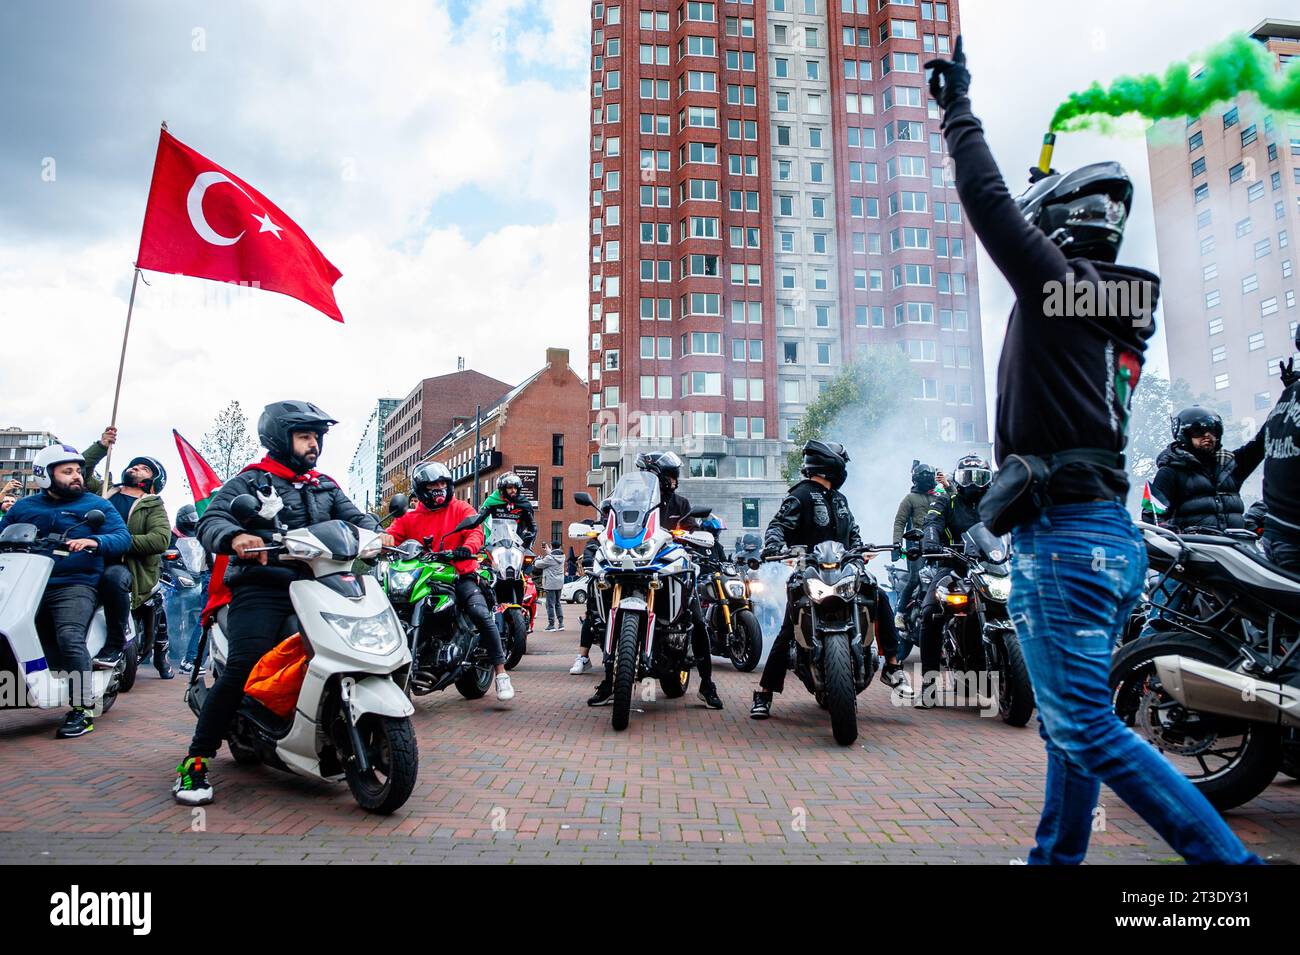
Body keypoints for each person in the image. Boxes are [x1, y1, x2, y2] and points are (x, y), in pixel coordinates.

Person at [927, 37, 1258, 864]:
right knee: (1071, 717)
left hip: (1066, 540)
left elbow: (986, 199)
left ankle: (1233, 868)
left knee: (1085, 723)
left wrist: (957, 110)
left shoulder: (1057, 289)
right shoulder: (1109, 305)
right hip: (1107, 538)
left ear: (1061, 224)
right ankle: (1056, 857)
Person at [173, 401, 383, 805]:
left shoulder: (324, 486)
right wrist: (235, 537)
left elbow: (357, 518)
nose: (314, 445)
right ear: (279, 439)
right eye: (305, 436)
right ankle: (195, 762)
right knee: (243, 668)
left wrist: (378, 533)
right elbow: (211, 520)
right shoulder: (252, 481)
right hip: (264, 587)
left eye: (317, 437)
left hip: (320, 584)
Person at [750, 440, 913, 719]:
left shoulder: (839, 499)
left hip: (844, 570)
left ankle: (893, 666)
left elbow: (853, 532)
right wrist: (776, 546)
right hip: (810, 572)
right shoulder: (799, 495)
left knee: (879, 595)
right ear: (832, 465)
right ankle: (764, 693)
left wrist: (861, 549)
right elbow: (778, 526)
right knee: (789, 626)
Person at [0, 444, 130, 738]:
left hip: (73, 582)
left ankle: (83, 710)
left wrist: (94, 543)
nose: (76, 477)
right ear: (45, 476)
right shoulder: (24, 507)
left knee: (69, 637)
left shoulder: (95, 505)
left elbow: (122, 537)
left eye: (78, 471)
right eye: (67, 471)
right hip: (25, 584)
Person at [587, 450, 724, 710]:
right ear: (655, 476)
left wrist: (690, 536)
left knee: (695, 618)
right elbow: (609, 521)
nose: (675, 481)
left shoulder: (680, 505)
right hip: (632, 564)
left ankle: (707, 685)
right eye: (671, 476)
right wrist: (601, 526)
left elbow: (692, 529)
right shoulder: (627, 499)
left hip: (665, 567)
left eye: (675, 476)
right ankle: (608, 681)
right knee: (596, 609)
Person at [382, 460, 516, 701]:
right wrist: (381, 541)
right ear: (421, 489)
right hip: (423, 575)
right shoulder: (411, 517)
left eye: (443, 483)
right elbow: (392, 534)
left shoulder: (460, 509)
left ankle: (501, 672)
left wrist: (467, 547)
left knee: (479, 613)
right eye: (433, 484)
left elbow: (476, 530)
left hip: (458, 572)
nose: (439, 488)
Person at [82, 426, 174, 678]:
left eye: (143, 468)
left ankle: (115, 645)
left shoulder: (152, 504)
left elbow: (159, 540)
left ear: (152, 481)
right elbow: (81, 471)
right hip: (87, 560)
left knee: (113, 579)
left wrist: (116, 542)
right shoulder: (105, 492)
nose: (135, 468)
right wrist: (101, 446)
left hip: (125, 568)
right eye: (134, 465)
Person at [916, 454, 992, 704]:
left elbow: (1015, 525)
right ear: (957, 479)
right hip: (954, 567)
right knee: (929, 613)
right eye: (967, 477)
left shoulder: (995, 503)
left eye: (980, 477)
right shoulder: (946, 499)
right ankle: (929, 686)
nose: (974, 483)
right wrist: (930, 540)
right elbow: (932, 522)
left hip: (991, 569)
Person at [1140, 408, 1260, 532]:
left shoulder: (1230, 466)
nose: (1207, 435)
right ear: (1184, 434)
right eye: (1198, 430)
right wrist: (1176, 535)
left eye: (1212, 430)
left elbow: (1261, 443)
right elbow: (1152, 515)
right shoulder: (1170, 471)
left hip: (1236, 546)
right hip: (1196, 546)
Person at [891, 461, 942, 629]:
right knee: (914, 578)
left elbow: (954, 503)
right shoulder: (910, 498)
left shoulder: (940, 495)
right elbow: (900, 522)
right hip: (915, 545)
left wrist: (948, 486)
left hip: (938, 545)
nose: (927, 479)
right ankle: (900, 614)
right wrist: (896, 544)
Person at [171, 504, 213, 675]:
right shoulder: (171, 536)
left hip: (200, 576)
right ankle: (190, 660)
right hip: (181, 577)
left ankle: (193, 659)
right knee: (207, 618)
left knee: (210, 619)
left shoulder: (201, 535)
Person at [568, 530, 603, 674]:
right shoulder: (600, 534)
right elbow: (589, 552)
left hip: (639, 575)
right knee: (592, 613)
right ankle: (583, 657)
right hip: (608, 580)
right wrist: (590, 557)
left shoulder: (644, 528)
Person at [478, 471, 537, 548]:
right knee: (483, 558)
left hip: (517, 544)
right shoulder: (492, 501)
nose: (513, 490)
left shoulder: (523, 503)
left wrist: (530, 536)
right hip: (495, 543)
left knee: (530, 558)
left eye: (515, 487)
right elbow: (480, 517)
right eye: (510, 487)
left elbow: (531, 525)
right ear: (502, 489)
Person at [535, 541, 566, 631]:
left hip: (550, 584)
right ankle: (561, 624)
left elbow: (538, 564)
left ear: (552, 546)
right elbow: (553, 555)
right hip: (559, 583)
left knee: (550, 605)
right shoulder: (562, 556)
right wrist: (548, 550)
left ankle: (551, 624)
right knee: (558, 603)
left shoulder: (549, 558)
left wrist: (538, 559)